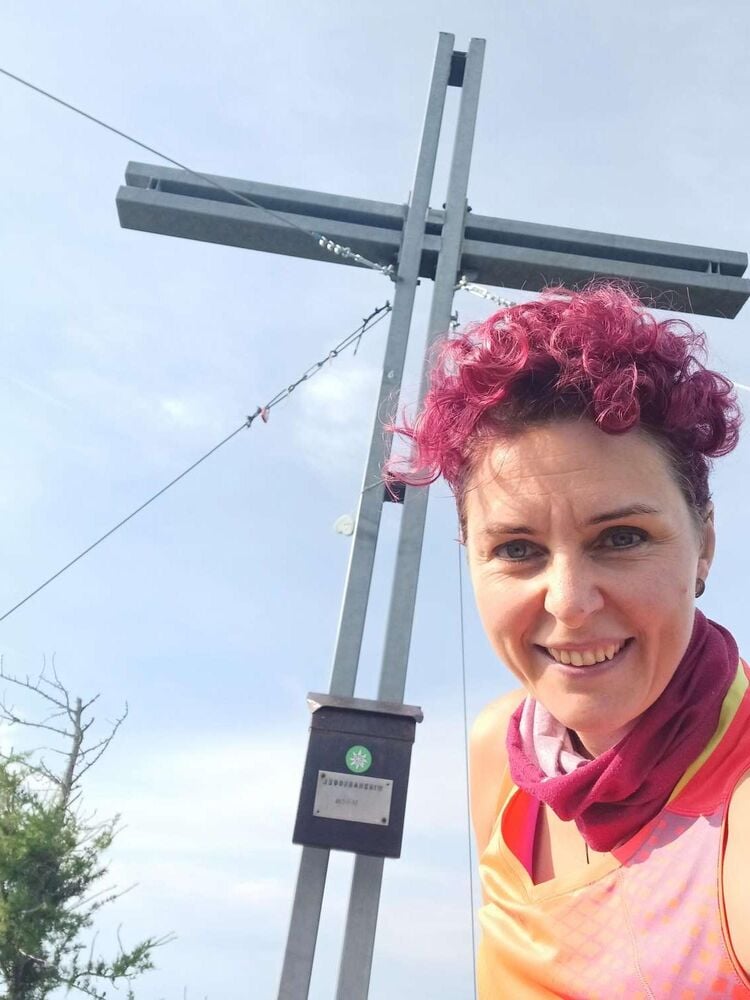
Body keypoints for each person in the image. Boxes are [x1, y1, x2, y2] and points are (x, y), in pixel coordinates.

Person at [387, 284, 749, 998]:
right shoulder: (501, 757)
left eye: (622, 538)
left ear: (703, 543)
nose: (570, 604)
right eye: (517, 549)